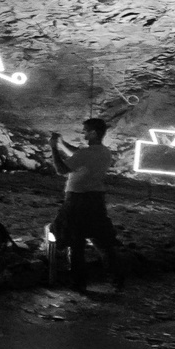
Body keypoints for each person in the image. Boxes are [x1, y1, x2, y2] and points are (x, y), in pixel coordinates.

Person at [49, 117, 121, 291]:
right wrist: (62, 144)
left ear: (93, 133)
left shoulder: (86, 154)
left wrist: (54, 149)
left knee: (76, 241)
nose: (83, 134)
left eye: (85, 131)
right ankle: (117, 279)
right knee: (102, 241)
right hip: (96, 199)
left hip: (78, 200)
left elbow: (61, 169)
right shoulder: (104, 152)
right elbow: (78, 154)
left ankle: (78, 282)